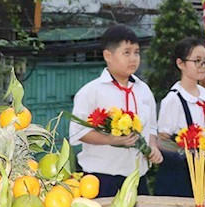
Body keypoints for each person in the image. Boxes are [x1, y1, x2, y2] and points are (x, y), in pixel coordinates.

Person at [69, 25, 163, 197]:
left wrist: (153, 147)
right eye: (126, 53)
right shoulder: (91, 91)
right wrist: (110, 139)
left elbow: (151, 128)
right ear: (108, 56)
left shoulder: (144, 90)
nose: (133, 58)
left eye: (136, 52)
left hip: (137, 176)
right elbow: (77, 133)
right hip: (101, 178)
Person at [155, 36, 205, 198]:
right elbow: (162, 141)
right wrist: (187, 145)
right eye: (197, 61)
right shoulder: (173, 100)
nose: (203, 66)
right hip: (180, 177)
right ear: (181, 64)